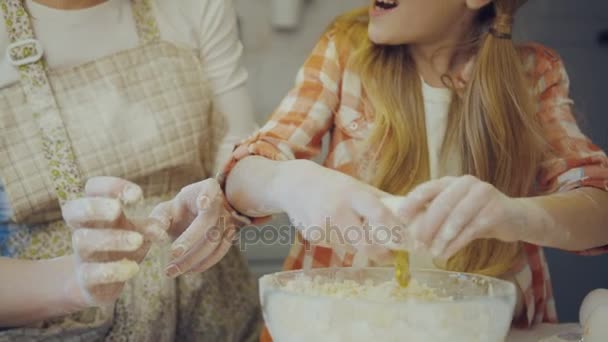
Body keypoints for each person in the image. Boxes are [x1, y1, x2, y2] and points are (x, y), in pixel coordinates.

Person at [161, 0, 608, 337]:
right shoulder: (346, 49)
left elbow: (599, 205)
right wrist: (292, 181)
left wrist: (516, 216)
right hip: (338, 327)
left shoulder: (535, 73)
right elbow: (243, 175)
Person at [0, 0, 261, 340]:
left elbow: (240, 153)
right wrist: (71, 283)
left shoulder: (195, 6)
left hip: (217, 312)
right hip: (61, 326)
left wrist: (246, 191)